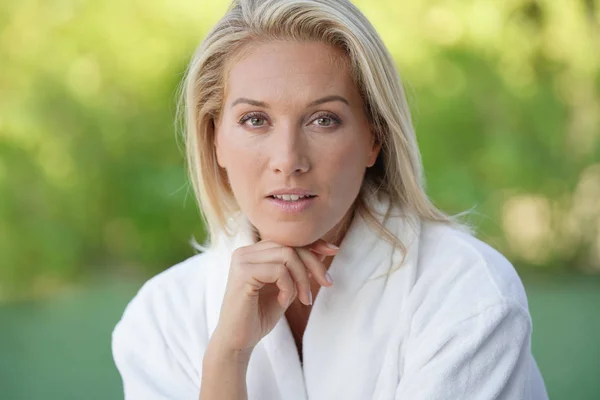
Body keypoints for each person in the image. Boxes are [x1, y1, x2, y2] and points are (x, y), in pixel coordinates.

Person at [111, 0, 549, 398]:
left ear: (374, 137)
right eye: (254, 119)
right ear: (215, 141)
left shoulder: (466, 293)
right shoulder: (161, 319)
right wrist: (226, 358)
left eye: (323, 119)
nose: (288, 160)